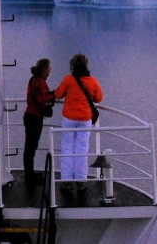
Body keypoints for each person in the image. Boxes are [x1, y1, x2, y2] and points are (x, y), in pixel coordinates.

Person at [52, 53, 103, 193]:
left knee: (67, 148)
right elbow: (99, 98)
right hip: (85, 118)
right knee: (82, 149)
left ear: (72, 65)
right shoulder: (92, 81)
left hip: (69, 117)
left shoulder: (69, 80)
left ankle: (67, 181)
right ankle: (81, 181)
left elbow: (58, 94)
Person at [23, 58, 56, 188]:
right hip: (35, 117)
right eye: (48, 70)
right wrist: (53, 95)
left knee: (30, 147)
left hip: (29, 115)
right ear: (44, 70)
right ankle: (29, 177)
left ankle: (29, 174)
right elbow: (43, 98)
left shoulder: (33, 80)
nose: (49, 72)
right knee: (31, 147)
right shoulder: (41, 83)